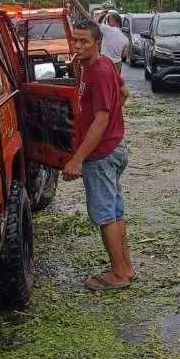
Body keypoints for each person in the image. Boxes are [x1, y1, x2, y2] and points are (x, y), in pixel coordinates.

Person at [62, 20, 138, 289]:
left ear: (98, 44)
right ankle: (125, 268)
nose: (78, 46)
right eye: (75, 40)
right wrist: (114, 124)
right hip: (114, 147)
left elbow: (101, 120)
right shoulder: (100, 64)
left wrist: (78, 157)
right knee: (115, 212)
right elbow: (124, 92)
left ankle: (118, 276)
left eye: (85, 42)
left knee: (105, 215)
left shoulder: (98, 72)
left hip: (102, 155)